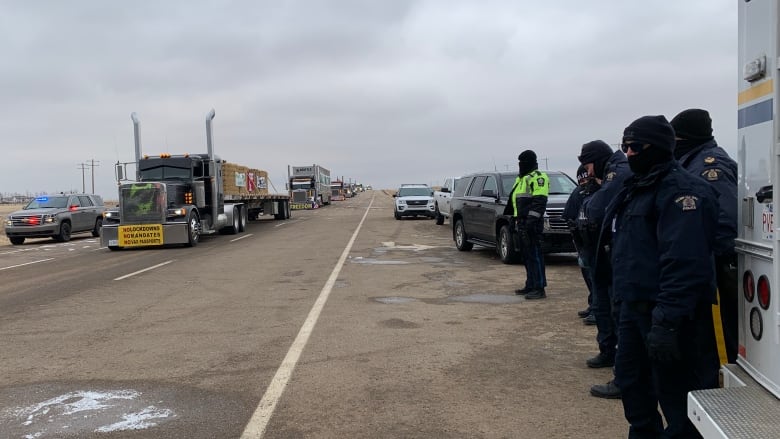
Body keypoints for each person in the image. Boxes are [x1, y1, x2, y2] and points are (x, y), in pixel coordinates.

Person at [601, 115, 720, 437]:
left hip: (669, 316)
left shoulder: (683, 193)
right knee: (630, 382)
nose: (628, 153)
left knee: (676, 393)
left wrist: (666, 322)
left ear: (660, 147)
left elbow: (684, 263)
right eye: (624, 146)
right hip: (632, 307)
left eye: (636, 146)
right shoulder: (635, 189)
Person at [671, 108, 739, 364]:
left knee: (719, 338)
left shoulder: (710, 166)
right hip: (704, 266)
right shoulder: (692, 161)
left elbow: (724, 221)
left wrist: (707, 259)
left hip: (715, 269)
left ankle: (724, 390)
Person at [577, 140, 632, 400]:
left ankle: (624, 373)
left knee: (618, 311)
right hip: (601, 250)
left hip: (614, 253)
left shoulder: (616, 172)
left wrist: (590, 199)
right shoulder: (607, 173)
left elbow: (596, 209)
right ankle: (608, 351)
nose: (587, 172)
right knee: (602, 305)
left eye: (587, 165)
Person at [504, 150, 549, 300]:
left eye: (522, 162)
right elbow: (515, 203)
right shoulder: (521, 179)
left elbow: (539, 202)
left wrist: (530, 221)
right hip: (521, 222)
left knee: (535, 255)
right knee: (526, 255)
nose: (520, 165)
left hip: (532, 224)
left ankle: (539, 287)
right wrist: (513, 219)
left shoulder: (538, 178)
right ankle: (530, 284)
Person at [562, 164, 599, 323]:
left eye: (586, 178)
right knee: (588, 276)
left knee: (596, 277)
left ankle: (598, 309)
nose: (584, 181)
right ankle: (593, 305)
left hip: (594, 242)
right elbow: (568, 214)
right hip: (582, 241)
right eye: (581, 179)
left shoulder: (599, 192)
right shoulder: (578, 192)